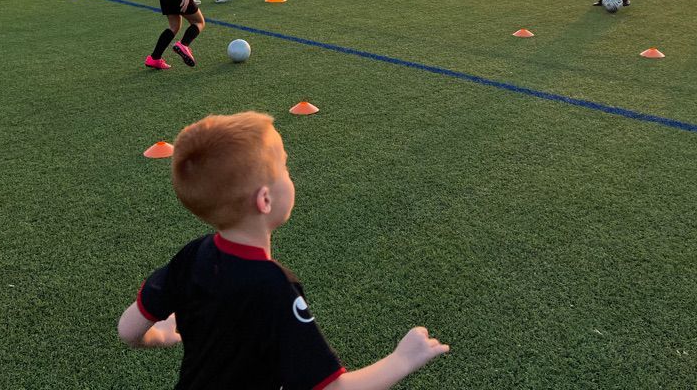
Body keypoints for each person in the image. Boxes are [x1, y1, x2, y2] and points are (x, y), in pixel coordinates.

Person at [117, 111, 449, 389]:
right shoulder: (274, 287)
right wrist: (403, 358)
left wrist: (161, 334)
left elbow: (129, 330)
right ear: (265, 200)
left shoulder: (191, 256)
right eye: (286, 169)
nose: (291, 177)